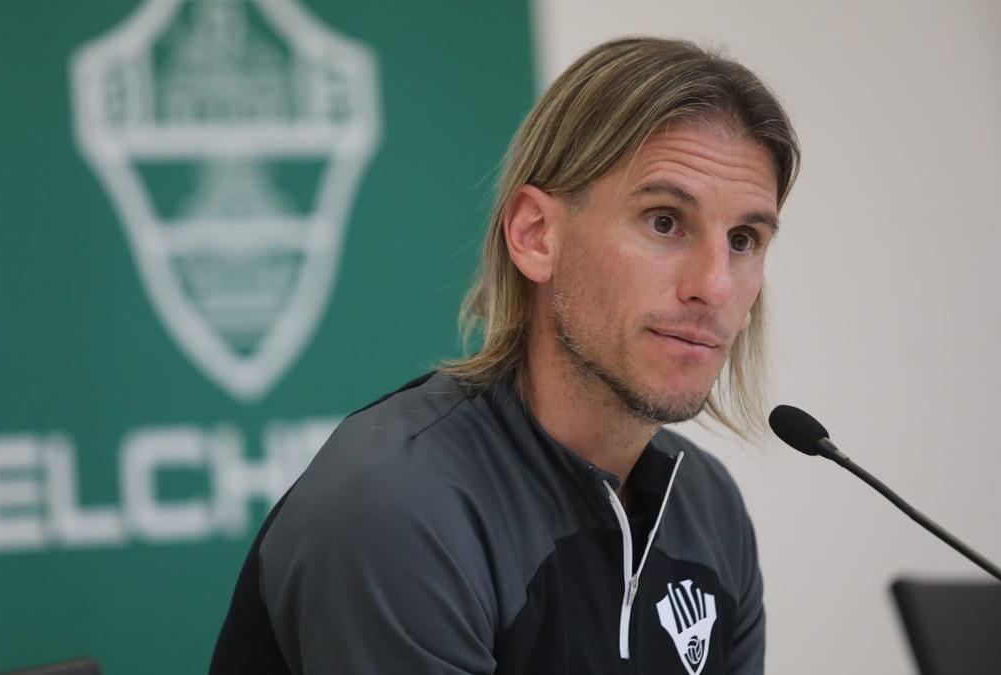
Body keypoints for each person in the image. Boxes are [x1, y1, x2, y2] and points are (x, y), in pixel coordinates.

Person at [210, 36, 799, 675]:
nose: (713, 284)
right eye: (664, 221)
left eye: (744, 239)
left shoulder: (708, 507)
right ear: (534, 235)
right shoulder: (400, 508)